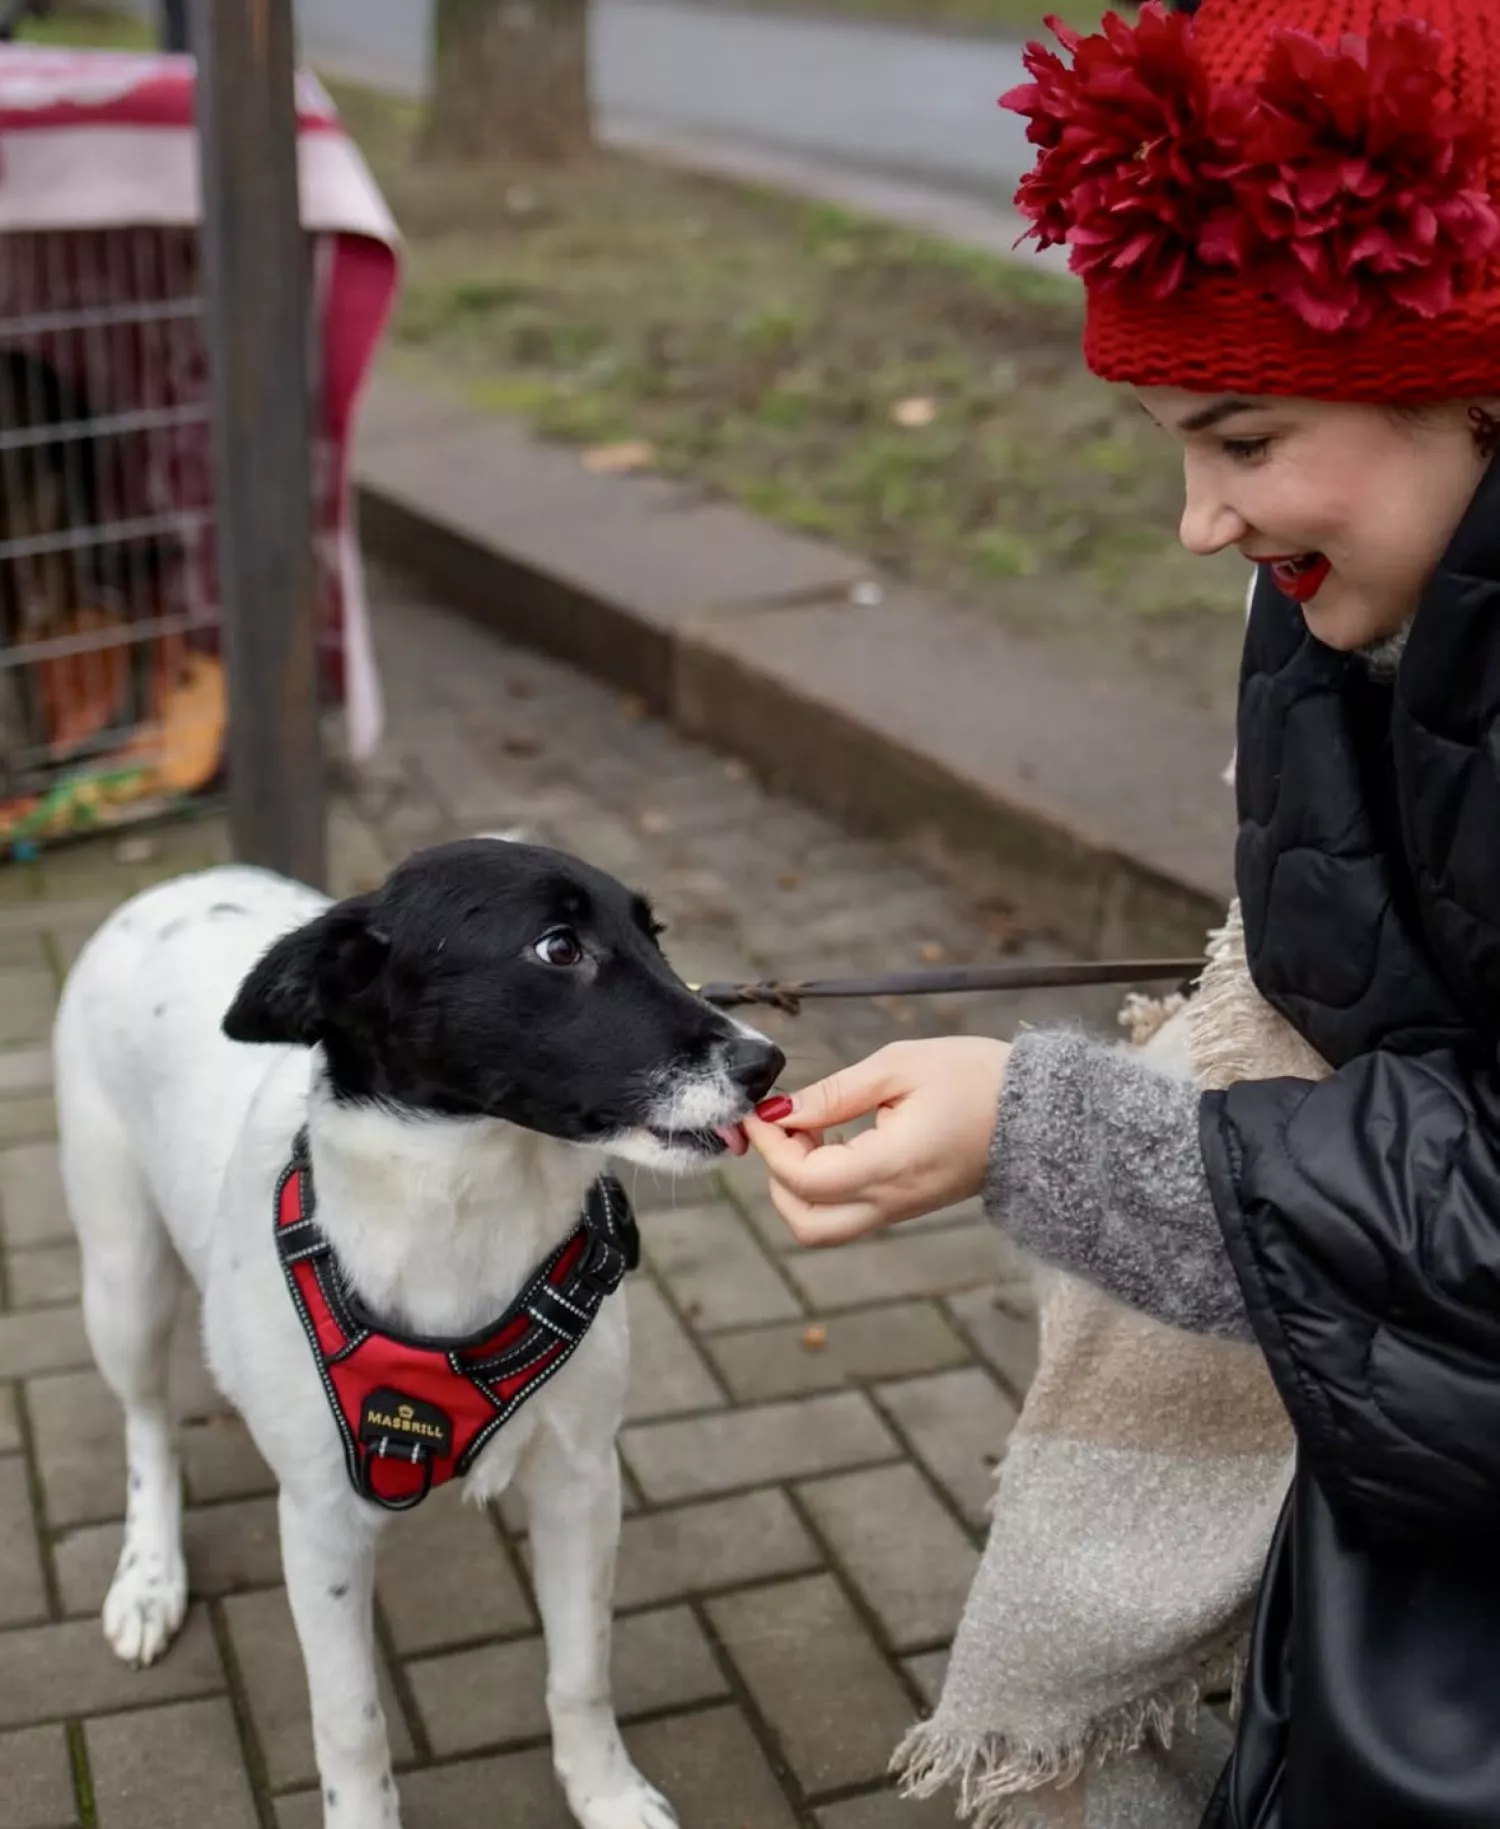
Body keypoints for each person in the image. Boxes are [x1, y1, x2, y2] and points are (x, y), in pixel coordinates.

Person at [747, 2, 1500, 1824]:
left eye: (1241, 439)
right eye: (1175, 443)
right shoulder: (1358, 604)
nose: (1194, 519)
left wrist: (1049, 1127)